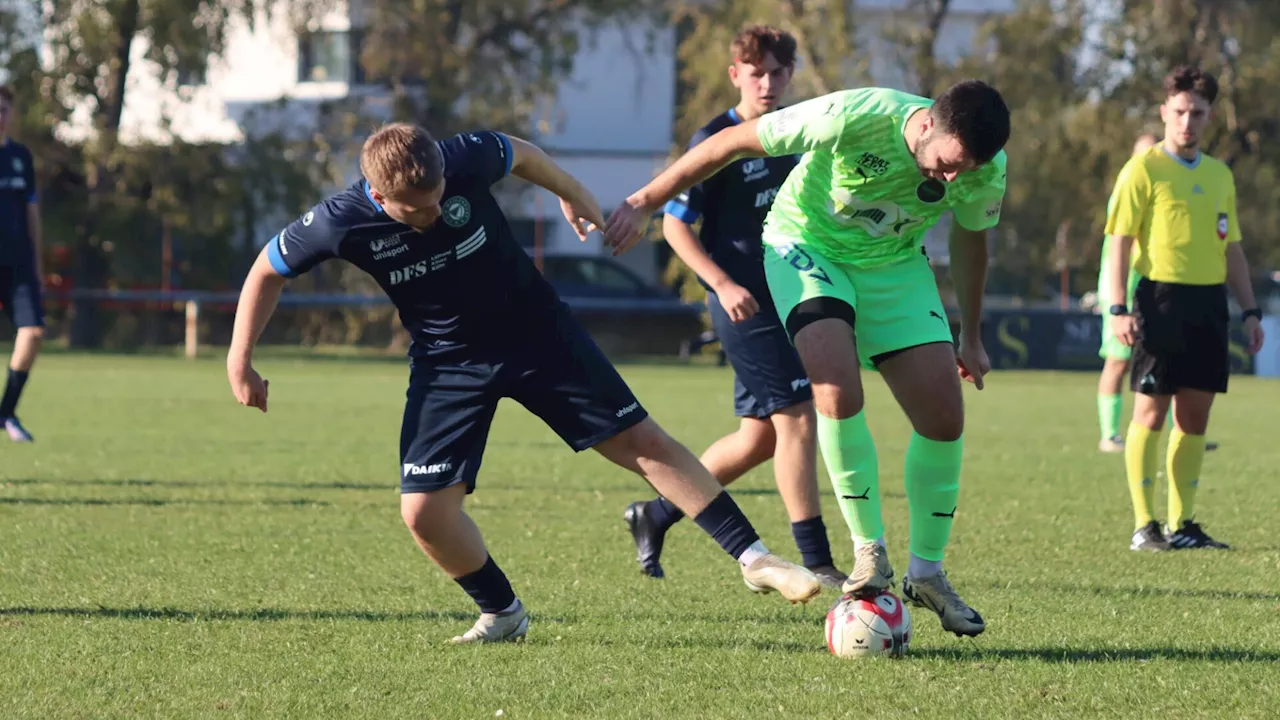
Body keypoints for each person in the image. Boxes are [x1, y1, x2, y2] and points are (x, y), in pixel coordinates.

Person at [227, 123, 822, 644]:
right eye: (418, 209)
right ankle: (502, 612)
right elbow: (266, 269)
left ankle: (755, 558)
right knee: (424, 514)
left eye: (439, 198)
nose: (435, 212)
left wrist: (577, 195)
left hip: (537, 330)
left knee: (642, 443)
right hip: (449, 360)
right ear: (379, 196)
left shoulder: (462, 158)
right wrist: (240, 361)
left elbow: (523, 154)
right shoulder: (339, 221)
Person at [605, 81, 1011, 638]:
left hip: (894, 265)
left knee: (945, 416)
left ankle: (927, 573)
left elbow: (971, 240)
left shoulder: (984, 166)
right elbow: (730, 142)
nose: (953, 180)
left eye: (967, 170)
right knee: (836, 390)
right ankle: (869, 552)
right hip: (806, 247)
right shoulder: (853, 115)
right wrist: (645, 201)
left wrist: (971, 334)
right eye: (947, 164)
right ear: (925, 128)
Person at [622, 25, 844, 587]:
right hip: (743, 304)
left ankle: (656, 512)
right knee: (797, 418)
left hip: (790, 296)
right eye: (756, 72)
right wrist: (721, 283)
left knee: (759, 439)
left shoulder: (797, 133)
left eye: (777, 72)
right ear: (736, 74)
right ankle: (816, 558)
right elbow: (676, 227)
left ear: (791, 75)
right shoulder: (715, 136)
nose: (767, 83)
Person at [1106, 66, 1264, 552]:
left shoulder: (1219, 175)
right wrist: (1117, 307)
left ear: (1209, 116)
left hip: (1207, 304)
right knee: (1151, 413)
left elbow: (1231, 247)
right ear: (1164, 111)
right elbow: (1118, 241)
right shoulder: (1143, 169)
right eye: (1179, 112)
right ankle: (1144, 525)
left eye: (1197, 113)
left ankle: (1184, 524)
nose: (1187, 122)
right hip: (1159, 300)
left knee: (1194, 418)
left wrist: (1251, 310)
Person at [1096, 134, 1219, 455]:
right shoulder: (1131, 190)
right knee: (1118, 361)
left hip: (1157, 291)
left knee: (1170, 361)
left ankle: (1182, 431)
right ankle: (1109, 433)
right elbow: (1129, 242)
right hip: (1124, 288)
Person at [0, 84, 43, 443]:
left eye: (3, 109)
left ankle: (6, 413)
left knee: (33, 333)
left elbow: (31, 211)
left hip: (18, 265)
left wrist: (38, 263)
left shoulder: (21, 157)